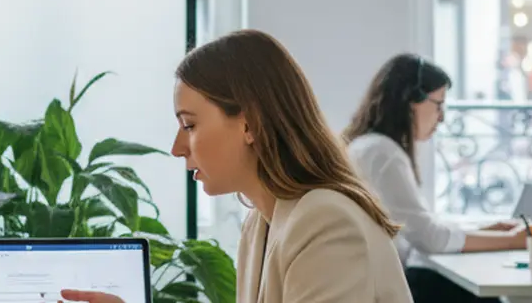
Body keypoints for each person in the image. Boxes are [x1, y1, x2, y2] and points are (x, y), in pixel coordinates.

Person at [63, 29, 413, 303]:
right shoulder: (260, 224)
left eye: (189, 125)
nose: (176, 148)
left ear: (250, 124)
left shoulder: (325, 220)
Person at [343, 54, 524, 303]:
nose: (442, 117)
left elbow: (422, 227)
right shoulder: (382, 153)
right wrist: (512, 241)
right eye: (438, 105)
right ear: (410, 100)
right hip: (407, 284)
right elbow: (429, 237)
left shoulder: (370, 147)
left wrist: (485, 231)